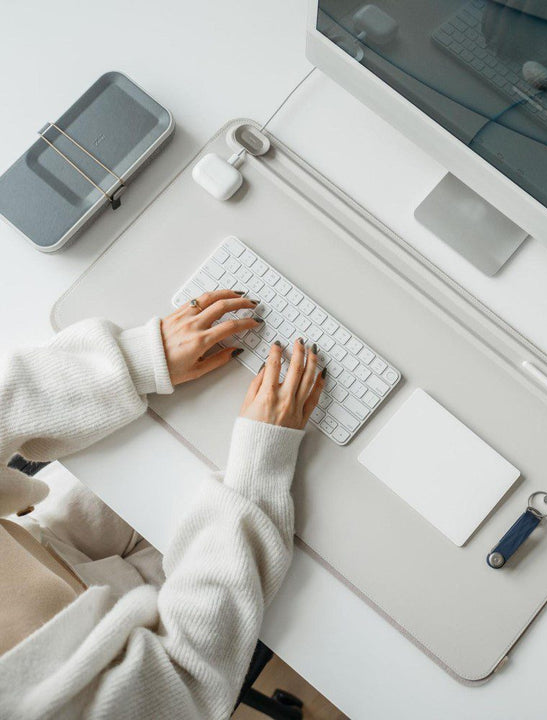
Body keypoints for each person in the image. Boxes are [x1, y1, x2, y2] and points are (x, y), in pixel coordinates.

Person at [0, 288, 324, 720]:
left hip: (45, 549)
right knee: (323, 526)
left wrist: (138, 360)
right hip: (130, 653)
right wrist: (260, 467)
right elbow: (184, 679)